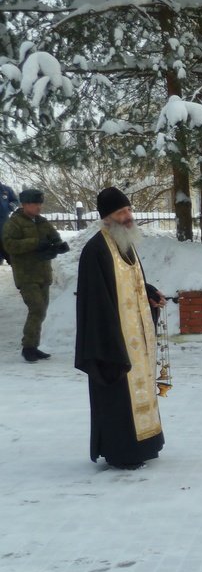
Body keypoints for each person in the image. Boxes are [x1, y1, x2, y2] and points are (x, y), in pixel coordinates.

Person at [75, 187, 167, 470]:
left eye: (128, 210)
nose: (127, 216)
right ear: (107, 217)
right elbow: (95, 302)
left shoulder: (125, 241)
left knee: (138, 392)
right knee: (118, 396)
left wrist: (149, 293)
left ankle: (144, 446)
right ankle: (121, 452)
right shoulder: (95, 250)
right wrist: (111, 342)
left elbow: (131, 283)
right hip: (112, 342)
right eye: (120, 212)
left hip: (135, 337)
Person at [2, 188, 69, 362]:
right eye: (35, 204)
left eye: (40, 203)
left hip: (43, 273)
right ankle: (28, 348)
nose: (39, 207)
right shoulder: (14, 223)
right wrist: (35, 243)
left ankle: (33, 346)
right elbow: (9, 245)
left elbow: (53, 237)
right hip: (26, 275)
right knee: (37, 308)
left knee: (41, 310)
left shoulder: (42, 222)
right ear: (25, 204)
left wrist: (59, 246)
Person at [0, 183, 18, 264]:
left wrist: (9, 207)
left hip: (3, 219)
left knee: (5, 238)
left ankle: (10, 258)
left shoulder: (6, 189)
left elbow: (15, 201)